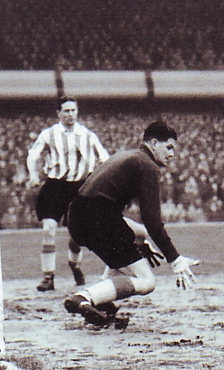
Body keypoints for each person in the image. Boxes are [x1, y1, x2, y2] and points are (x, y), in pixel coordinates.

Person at [64, 121, 199, 327]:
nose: (172, 154)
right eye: (169, 147)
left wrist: (140, 243)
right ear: (154, 143)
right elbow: (153, 221)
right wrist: (175, 259)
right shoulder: (147, 165)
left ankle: (102, 301)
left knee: (140, 235)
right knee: (147, 282)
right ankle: (84, 297)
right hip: (99, 218)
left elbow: (143, 228)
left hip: (79, 215)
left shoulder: (129, 156)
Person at [27, 97, 109, 291]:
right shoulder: (49, 134)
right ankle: (48, 277)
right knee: (48, 228)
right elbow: (32, 156)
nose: (70, 114)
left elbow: (105, 159)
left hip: (80, 188)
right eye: (66, 111)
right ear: (59, 113)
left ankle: (75, 264)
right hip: (55, 186)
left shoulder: (88, 135)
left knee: (77, 237)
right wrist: (33, 175)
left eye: (73, 110)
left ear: (77, 111)